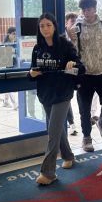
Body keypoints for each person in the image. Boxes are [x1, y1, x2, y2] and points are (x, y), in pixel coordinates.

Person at [29, 13, 85, 185]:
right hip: (45, 94)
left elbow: (81, 68)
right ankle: (68, 155)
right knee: (57, 130)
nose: (45, 29)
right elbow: (33, 71)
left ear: (54, 26)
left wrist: (73, 65)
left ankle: (48, 173)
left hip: (63, 93)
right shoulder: (37, 48)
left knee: (53, 132)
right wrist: (31, 74)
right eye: (42, 26)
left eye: (48, 25)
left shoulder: (66, 46)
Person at [66, 0, 102, 152]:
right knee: (84, 109)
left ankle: (101, 122)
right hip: (85, 76)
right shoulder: (77, 27)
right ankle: (86, 139)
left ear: (95, 8)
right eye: (84, 9)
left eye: (90, 9)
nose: (87, 12)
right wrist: (70, 33)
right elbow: (72, 49)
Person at [64, 12, 79, 135]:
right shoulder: (62, 39)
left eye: (76, 21)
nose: (74, 24)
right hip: (66, 73)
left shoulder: (80, 35)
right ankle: (71, 124)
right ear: (66, 23)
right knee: (66, 98)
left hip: (77, 71)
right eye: (72, 21)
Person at [2, 26, 18, 109]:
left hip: (13, 66)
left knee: (8, 86)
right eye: (13, 34)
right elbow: (4, 60)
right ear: (8, 34)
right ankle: (15, 104)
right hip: (8, 66)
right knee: (9, 85)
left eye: (16, 34)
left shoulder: (15, 43)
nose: (15, 35)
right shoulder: (5, 45)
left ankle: (5, 101)